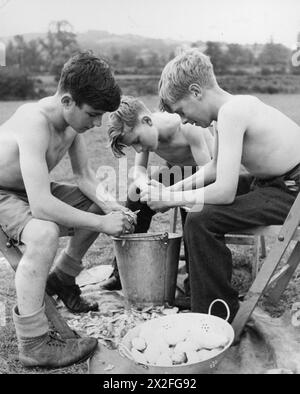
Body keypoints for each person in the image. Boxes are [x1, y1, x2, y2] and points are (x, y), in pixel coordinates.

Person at [140, 48, 300, 323]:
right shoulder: (230, 110)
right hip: (275, 183)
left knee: (202, 218)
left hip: (291, 190)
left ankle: (216, 315)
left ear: (196, 91)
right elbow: (214, 168)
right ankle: (209, 300)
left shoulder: (232, 112)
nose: (185, 120)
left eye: (182, 111)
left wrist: (171, 200)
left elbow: (224, 192)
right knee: (197, 208)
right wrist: (170, 191)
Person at [0, 52, 136, 368]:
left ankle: (63, 276)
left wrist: (114, 209)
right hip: (3, 193)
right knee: (44, 233)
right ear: (66, 101)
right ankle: (34, 344)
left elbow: (86, 178)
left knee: (95, 204)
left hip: (25, 190)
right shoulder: (34, 121)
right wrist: (103, 224)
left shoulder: (72, 125)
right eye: (93, 114)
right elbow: (42, 205)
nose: (98, 123)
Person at [101, 95, 214, 300]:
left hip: (202, 177)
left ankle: (195, 283)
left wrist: (172, 195)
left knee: (193, 213)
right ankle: (121, 271)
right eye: (133, 145)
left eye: (137, 141)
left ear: (147, 121)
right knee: (136, 195)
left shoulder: (187, 127)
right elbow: (138, 171)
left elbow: (209, 172)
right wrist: (146, 189)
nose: (138, 148)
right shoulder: (147, 130)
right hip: (176, 172)